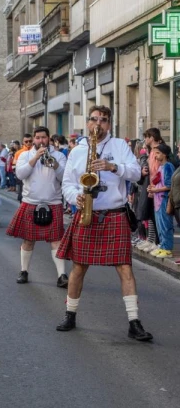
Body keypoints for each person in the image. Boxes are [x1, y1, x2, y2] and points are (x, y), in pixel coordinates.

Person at [55, 105, 152, 341]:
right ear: (87, 122)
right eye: (94, 119)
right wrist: (75, 197)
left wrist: (113, 167)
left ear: (109, 124)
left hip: (115, 213)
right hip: (88, 213)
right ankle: (70, 315)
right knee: (79, 267)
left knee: (125, 267)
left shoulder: (119, 146)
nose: (98, 123)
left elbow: (137, 173)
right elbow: (67, 184)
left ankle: (134, 322)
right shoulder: (78, 151)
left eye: (104, 120)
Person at [6, 126, 68, 287]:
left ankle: (62, 275)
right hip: (31, 202)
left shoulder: (59, 156)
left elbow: (64, 177)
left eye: (44, 137)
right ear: (34, 139)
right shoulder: (25, 155)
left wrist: (54, 164)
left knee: (57, 240)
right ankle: (24, 271)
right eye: (38, 138)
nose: (41, 140)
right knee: (28, 240)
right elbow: (20, 175)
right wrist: (35, 158)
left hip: (53, 202)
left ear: (49, 139)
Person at [147, 143, 174, 258]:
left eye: (158, 153)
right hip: (157, 199)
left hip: (164, 199)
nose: (156, 155)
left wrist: (155, 190)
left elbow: (169, 185)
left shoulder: (168, 166)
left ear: (164, 154)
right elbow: (158, 181)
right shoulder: (161, 167)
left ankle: (167, 248)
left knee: (165, 224)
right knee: (159, 224)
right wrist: (152, 188)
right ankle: (162, 245)